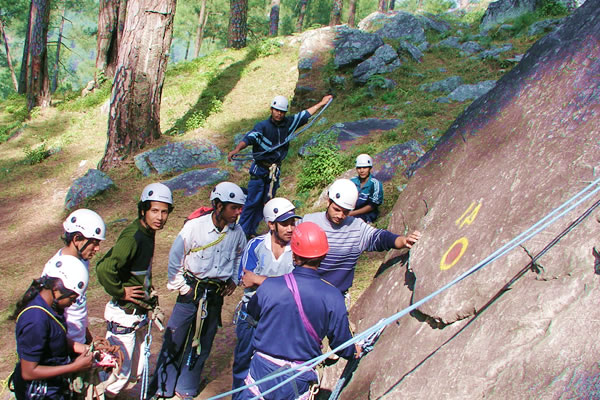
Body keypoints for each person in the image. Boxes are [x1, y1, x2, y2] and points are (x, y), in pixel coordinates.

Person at [238, 222, 359, 400]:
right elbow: (341, 343)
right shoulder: (333, 297)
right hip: (297, 379)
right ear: (323, 255)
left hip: (262, 372)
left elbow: (252, 312)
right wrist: (354, 350)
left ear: (294, 255)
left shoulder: (270, 286)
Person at [149, 182, 247, 400]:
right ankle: (162, 387)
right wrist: (182, 287)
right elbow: (176, 257)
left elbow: (239, 254)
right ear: (218, 205)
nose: (238, 212)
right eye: (234, 207)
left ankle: (186, 387)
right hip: (190, 291)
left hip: (214, 295)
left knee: (203, 341)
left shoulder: (237, 232)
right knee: (174, 338)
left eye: (240, 207)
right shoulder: (195, 228)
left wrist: (233, 278)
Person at [96, 182, 174, 397]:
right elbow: (104, 268)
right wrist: (121, 292)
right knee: (118, 372)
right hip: (124, 316)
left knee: (136, 369)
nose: (159, 217)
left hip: (136, 316)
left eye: (164, 212)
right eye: (154, 211)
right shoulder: (133, 237)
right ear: (143, 210)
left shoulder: (147, 232)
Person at [227, 94, 333, 238]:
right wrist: (237, 149)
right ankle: (241, 233)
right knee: (252, 202)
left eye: (282, 111)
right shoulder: (262, 127)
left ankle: (250, 231)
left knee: (265, 204)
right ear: (271, 110)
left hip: (274, 172)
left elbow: (304, 115)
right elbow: (249, 138)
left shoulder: (288, 124)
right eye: (276, 110)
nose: (279, 113)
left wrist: (321, 103)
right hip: (260, 170)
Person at [231, 197, 300, 397]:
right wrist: (280, 282)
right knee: (242, 364)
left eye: (292, 223)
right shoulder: (255, 246)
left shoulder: (297, 249)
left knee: (274, 368)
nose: (290, 228)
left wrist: (260, 279)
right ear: (271, 224)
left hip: (280, 322)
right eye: (285, 223)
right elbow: (245, 280)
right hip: (252, 319)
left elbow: (295, 286)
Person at [303, 179, 421, 294]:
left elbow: (380, 238)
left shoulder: (356, 228)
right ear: (328, 202)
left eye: (346, 212)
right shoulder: (308, 222)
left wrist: (402, 240)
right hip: (306, 291)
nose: (340, 215)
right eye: (336, 209)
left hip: (337, 295)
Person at [11, 255, 93, 399]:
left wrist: (83, 348)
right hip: (41, 393)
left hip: (55, 387)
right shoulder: (35, 320)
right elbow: (28, 371)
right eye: (72, 298)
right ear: (57, 288)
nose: (73, 303)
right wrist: (74, 367)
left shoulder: (51, 309)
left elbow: (55, 337)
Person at [42, 208, 106, 345]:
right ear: (77, 239)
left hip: (79, 344)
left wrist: (88, 339)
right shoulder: (55, 271)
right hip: (64, 347)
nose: (97, 249)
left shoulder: (82, 262)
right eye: (94, 242)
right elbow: (47, 321)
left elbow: (78, 310)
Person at [349, 154, 384, 223]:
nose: (362, 171)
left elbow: (372, 206)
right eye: (359, 168)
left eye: (365, 168)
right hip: (351, 212)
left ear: (370, 168)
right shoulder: (352, 181)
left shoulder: (375, 184)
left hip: (367, 215)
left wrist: (351, 214)